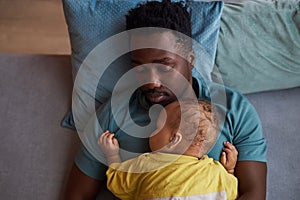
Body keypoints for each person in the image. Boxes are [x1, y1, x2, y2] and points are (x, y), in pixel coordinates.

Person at [65, 1, 267, 199]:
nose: (151, 82)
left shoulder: (234, 109)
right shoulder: (114, 113)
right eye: (140, 68)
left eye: (164, 67)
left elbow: (253, 192)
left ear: (190, 59)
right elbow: (78, 194)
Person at [98, 100, 239, 199]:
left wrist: (112, 155)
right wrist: (230, 170)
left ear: (173, 140)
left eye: (157, 127)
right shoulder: (216, 172)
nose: (151, 131)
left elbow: (116, 183)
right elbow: (231, 193)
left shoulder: (146, 164)